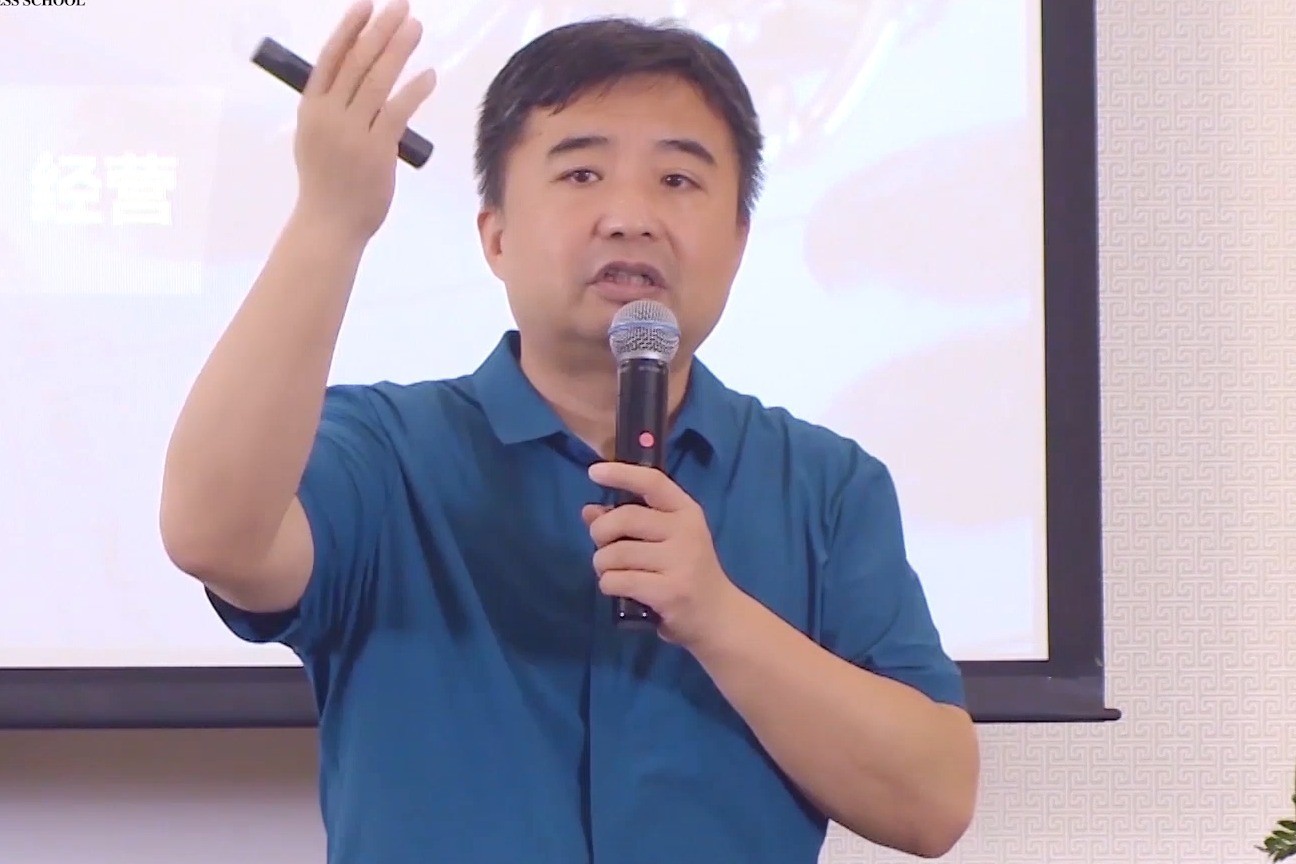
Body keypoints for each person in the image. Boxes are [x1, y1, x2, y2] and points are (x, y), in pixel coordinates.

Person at [158, 1, 980, 861]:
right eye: (582, 174)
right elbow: (213, 535)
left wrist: (717, 616)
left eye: (678, 180)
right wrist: (332, 218)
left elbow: (931, 804)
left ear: (740, 241)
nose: (630, 216)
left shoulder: (826, 485)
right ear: (496, 237)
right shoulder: (386, 450)